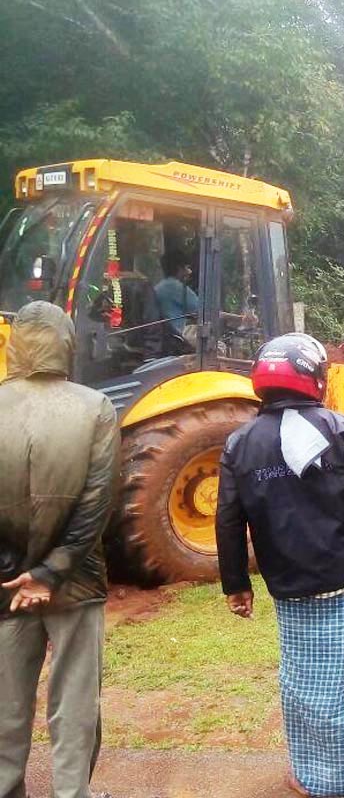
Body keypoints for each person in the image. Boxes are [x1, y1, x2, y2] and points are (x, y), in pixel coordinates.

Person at [216, 333, 344, 797]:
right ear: (316, 380)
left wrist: (235, 584)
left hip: (287, 586)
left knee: (304, 681)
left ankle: (312, 776)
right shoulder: (343, 429)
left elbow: (229, 519)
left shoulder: (240, 444)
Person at [0, 301, 119, 798]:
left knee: (5, 700)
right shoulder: (95, 407)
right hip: (77, 581)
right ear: (66, 342)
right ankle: (72, 793)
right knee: (74, 699)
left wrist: (16, 572)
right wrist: (52, 572)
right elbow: (98, 503)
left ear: (14, 344)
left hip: (4, 585)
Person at [154, 253, 200, 336]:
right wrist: (230, 317)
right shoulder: (177, 287)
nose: (190, 272)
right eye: (187, 267)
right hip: (177, 339)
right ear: (179, 268)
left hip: (163, 336)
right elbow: (203, 311)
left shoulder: (159, 287)